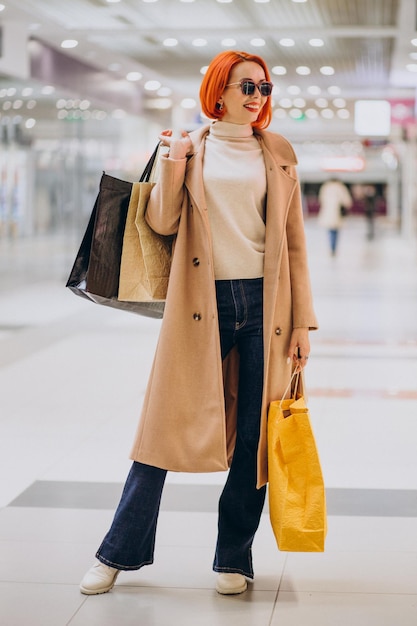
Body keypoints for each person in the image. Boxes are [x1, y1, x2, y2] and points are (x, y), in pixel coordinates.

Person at [80, 50, 318, 597]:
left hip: (268, 309)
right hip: (199, 306)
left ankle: (233, 558)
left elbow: (296, 244)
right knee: (160, 432)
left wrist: (303, 322)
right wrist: (174, 160)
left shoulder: (277, 150)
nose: (258, 97)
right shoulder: (192, 146)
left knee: (256, 440)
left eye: (264, 87)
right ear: (219, 90)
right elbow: (161, 221)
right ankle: (116, 553)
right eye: (247, 87)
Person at [318, 177, 353, 255]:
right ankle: (334, 247)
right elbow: (347, 201)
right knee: (336, 231)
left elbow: (321, 199)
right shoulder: (341, 187)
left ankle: (331, 247)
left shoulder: (325, 187)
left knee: (330, 230)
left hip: (327, 212)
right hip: (337, 212)